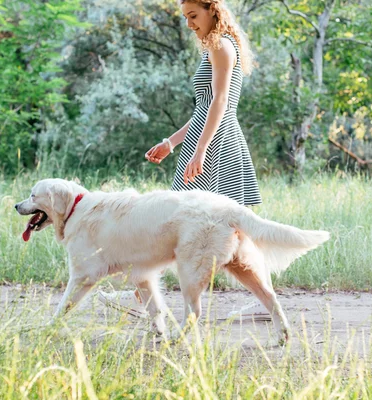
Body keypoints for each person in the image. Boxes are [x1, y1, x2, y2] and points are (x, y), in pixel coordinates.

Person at [101, 0, 271, 321]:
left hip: (217, 144)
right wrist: (171, 143)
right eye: (186, 18)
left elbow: (220, 103)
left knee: (182, 222)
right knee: (215, 226)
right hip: (205, 139)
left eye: (194, 15)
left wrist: (201, 149)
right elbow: (202, 109)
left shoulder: (221, 45)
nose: (189, 24)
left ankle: (140, 296)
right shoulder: (214, 46)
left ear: (212, 10)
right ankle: (142, 294)